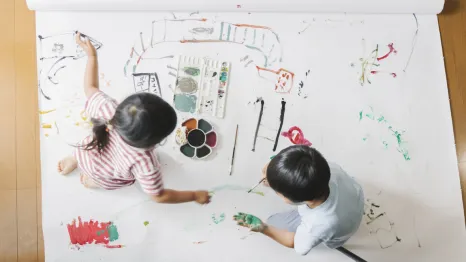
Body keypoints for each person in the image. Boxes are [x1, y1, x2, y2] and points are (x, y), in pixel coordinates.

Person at [57, 32, 210, 205]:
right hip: (107, 176)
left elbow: (90, 86)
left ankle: (76, 160)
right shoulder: (144, 162)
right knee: (100, 180)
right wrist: (194, 195)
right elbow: (159, 196)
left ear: (123, 106)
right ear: (154, 142)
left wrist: (92, 56)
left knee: (83, 153)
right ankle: (95, 181)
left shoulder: (107, 110)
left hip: (86, 153)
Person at [233, 145, 364, 255]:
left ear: (292, 199)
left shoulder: (317, 225)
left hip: (339, 229)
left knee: (273, 221)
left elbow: (293, 242)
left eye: (277, 192)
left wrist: (264, 228)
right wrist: (278, 169)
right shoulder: (325, 168)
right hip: (353, 200)